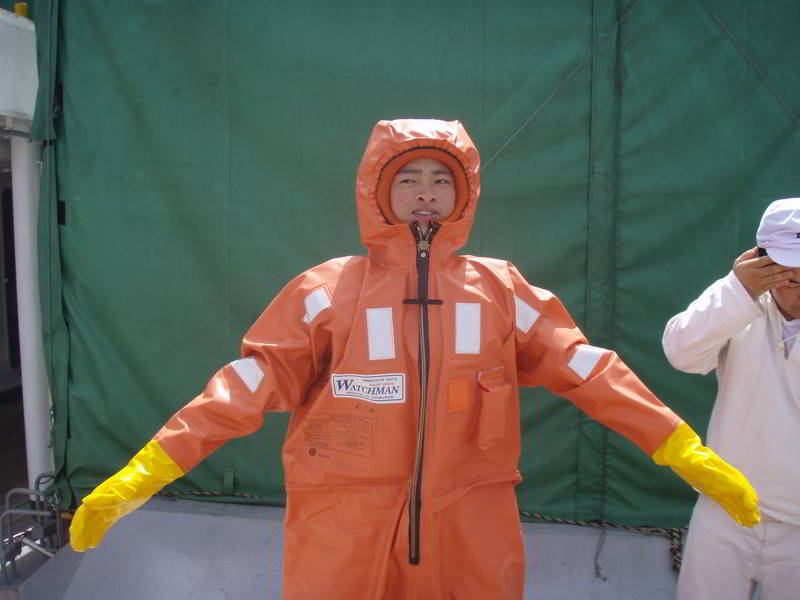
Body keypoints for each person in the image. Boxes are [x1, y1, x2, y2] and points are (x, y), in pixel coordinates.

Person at [70, 119, 760, 599]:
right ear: (376, 191)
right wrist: (144, 472)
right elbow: (244, 385)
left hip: (472, 526)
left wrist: (679, 446)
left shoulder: (501, 291)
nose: (425, 191)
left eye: (440, 178)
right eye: (407, 178)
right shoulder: (325, 292)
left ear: (465, 194)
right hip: (343, 529)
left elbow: (587, 370)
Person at [663, 197, 800, 600]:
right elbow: (682, 353)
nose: (796, 280)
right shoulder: (739, 304)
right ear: (760, 260)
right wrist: (736, 290)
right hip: (725, 505)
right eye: (787, 269)